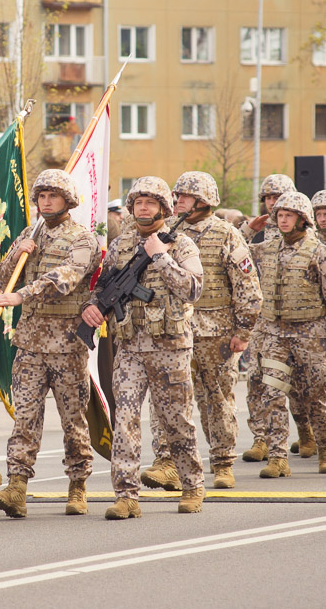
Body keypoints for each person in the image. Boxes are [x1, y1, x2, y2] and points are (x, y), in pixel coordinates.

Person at [82, 176, 206, 518]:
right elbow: (105, 285)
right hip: (131, 347)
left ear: (164, 208)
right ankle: (126, 494)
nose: (143, 207)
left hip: (171, 347)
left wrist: (161, 258)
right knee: (124, 419)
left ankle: (193, 485)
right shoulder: (121, 245)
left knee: (177, 420)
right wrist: (95, 306)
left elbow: (193, 289)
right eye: (138, 202)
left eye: (150, 203)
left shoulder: (182, 245)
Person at [0, 169, 102, 518]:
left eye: (53, 196)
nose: (45, 202)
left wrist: (23, 293)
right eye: (41, 197)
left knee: (73, 419)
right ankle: (17, 487)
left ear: (67, 200)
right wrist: (15, 253)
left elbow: (66, 277)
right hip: (31, 343)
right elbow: (2, 279)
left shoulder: (82, 239)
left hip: (67, 345)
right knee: (25, 417)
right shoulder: (29, 233)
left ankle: (78, 485)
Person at [141, 172, 261, 491]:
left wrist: (243, 331)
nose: (177, 200)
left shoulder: (226, 234)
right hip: (174, 329)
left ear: (203, 201)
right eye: (176, 195)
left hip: (216, 332)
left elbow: (248, 287)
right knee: (167, 399)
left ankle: (222, 462)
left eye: (185, 196)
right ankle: (166, 462)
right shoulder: (165, 234)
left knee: (217, 399)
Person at [246, 191, 326, 478]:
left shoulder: (318, 251)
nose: (283, 220)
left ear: (303, 220)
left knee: (315, 396)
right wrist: (248, 228)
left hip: (310, 335)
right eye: (279, 215)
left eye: (289, 215)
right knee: (273, 394)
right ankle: (278, 458)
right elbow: (235, 251)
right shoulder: (267, 248)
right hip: (274, 334)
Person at [240, 173, 297, 463]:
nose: (272, 204)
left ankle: (310, 434)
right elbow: (233, 254)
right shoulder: (259, 229)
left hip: (297, 320)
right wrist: (248, 230)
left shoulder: (303, 233)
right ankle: (261, 438)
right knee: (257, 380)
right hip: (263, 320)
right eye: (268, 198)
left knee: (299, 385)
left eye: (278, 198)